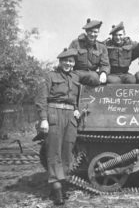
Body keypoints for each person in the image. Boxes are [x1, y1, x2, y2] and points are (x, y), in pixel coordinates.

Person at [35, 48, 100, 205]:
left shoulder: (75, 77)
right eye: (65, 61)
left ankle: (62, 183)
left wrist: (77, 110)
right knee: (53, 151)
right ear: (60, 61)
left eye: (71, 61)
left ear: (74, 63)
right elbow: (41, 99)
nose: (68, 64)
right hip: (54, 114)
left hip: (71, 116)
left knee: (67, 151)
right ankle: (56, 187)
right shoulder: (50, 76)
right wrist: (43, 119)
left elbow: (88, 86)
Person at [69, 18, 110, 84]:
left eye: (95, 32)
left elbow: (105, 64)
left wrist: (103, 73)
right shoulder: (76, 43)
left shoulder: (101, 47)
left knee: (96, 78)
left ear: (98, 32)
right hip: (77, 73)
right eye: (90, 31)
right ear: (86, 31)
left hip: (92, 74)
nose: (93, 34)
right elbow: (68, 58)